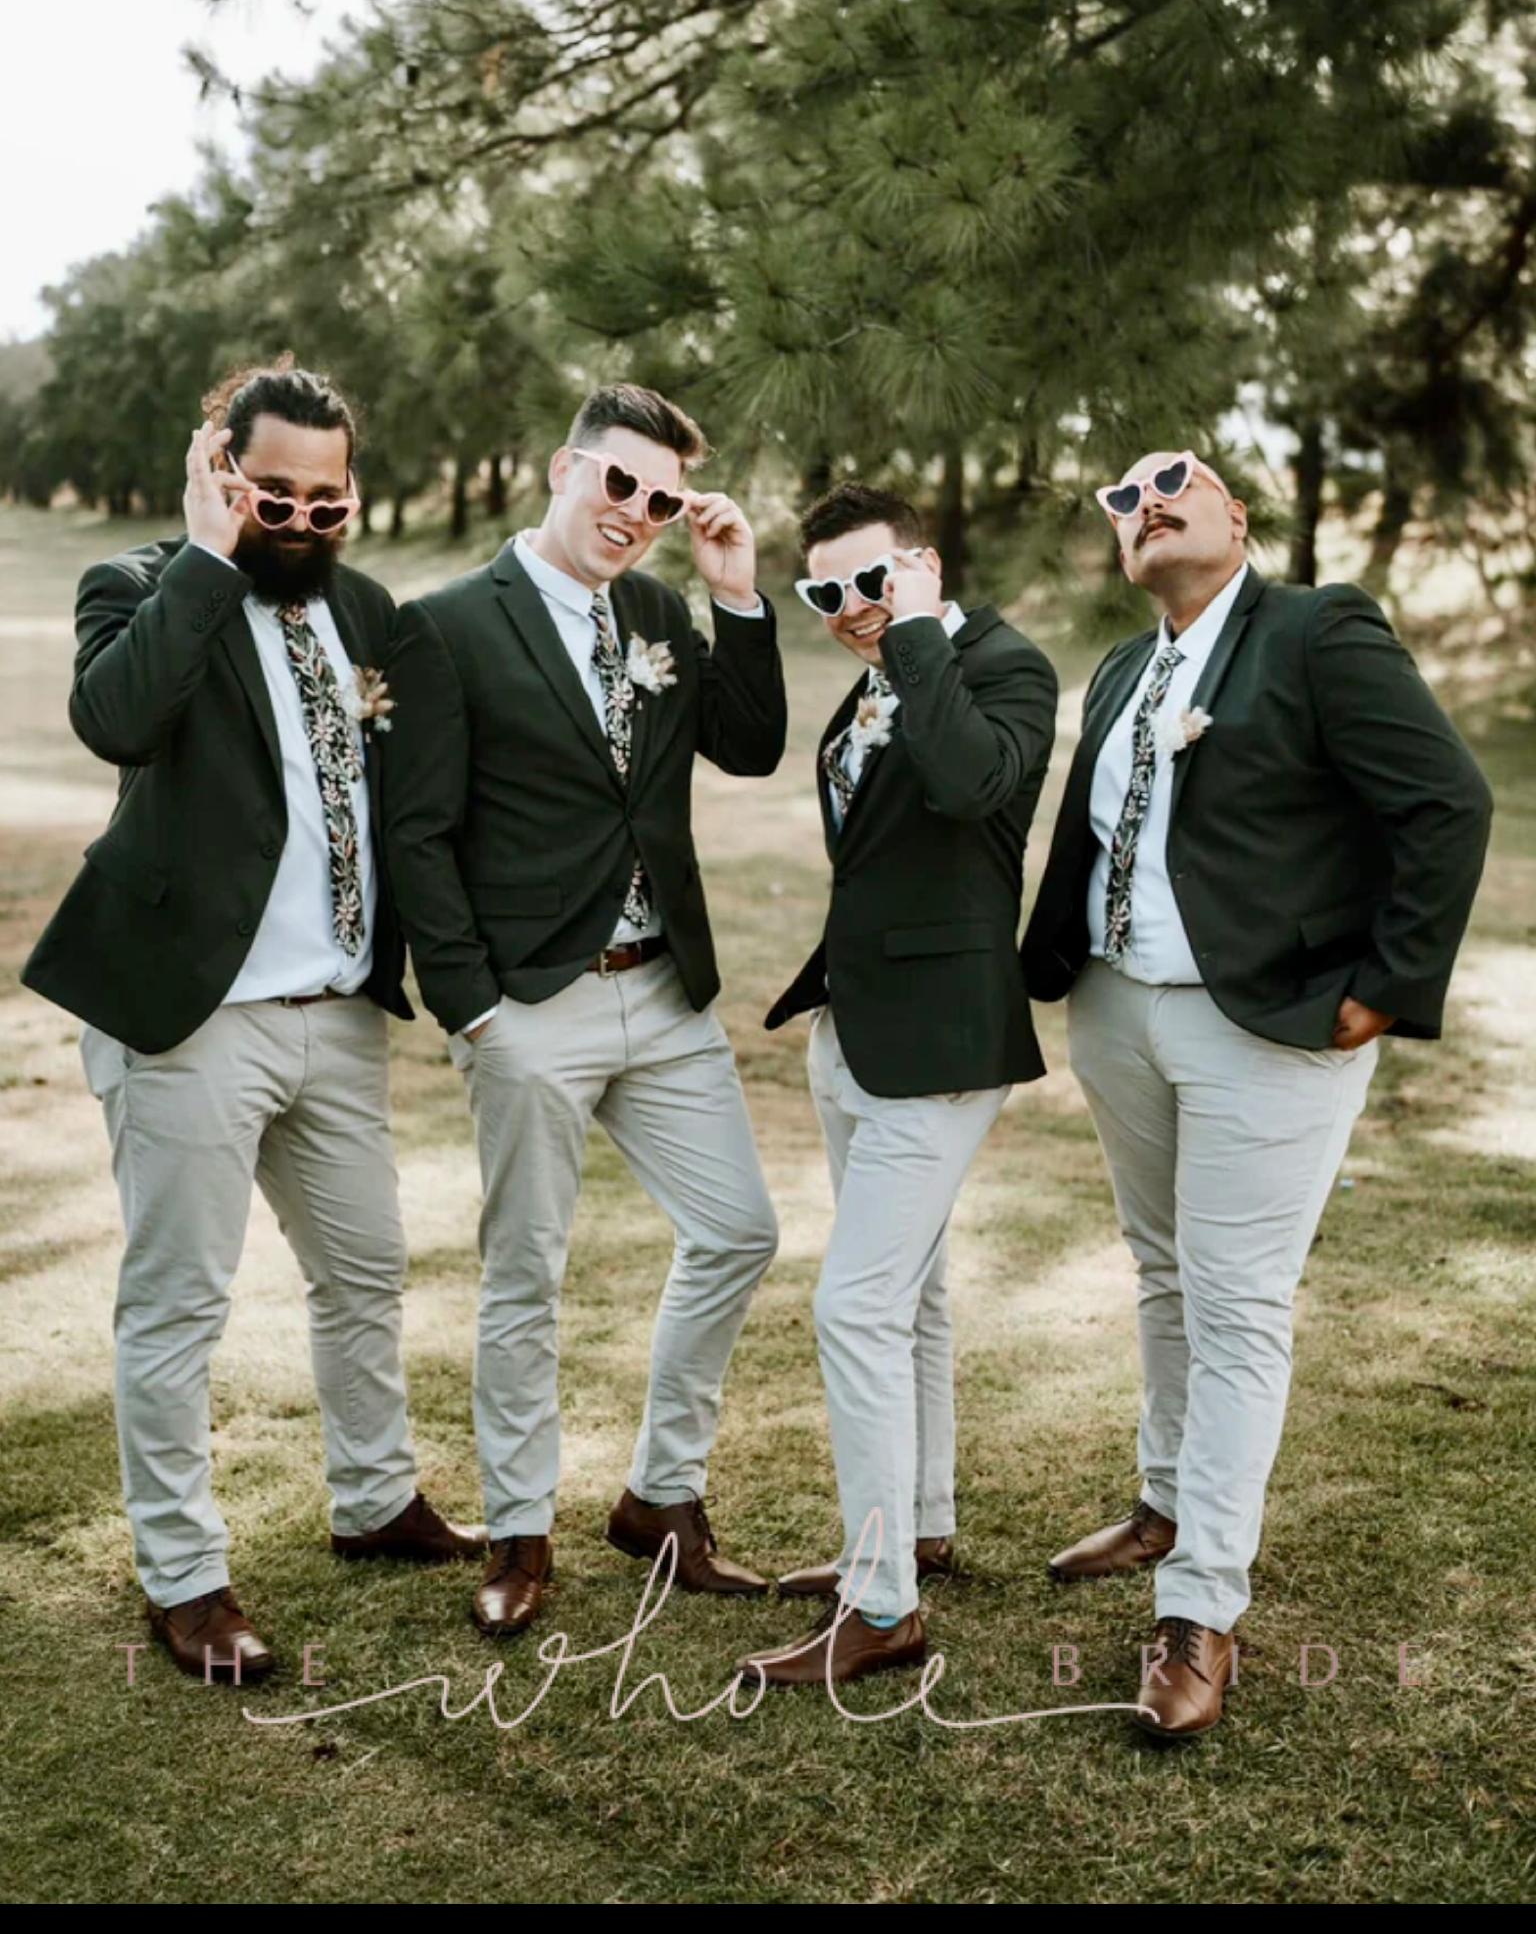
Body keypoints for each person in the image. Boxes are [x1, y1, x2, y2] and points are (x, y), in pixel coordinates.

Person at [21, 359, 485, 1686]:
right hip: (192, 1015)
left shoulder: (371, 612)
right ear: (220, 470)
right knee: (180, 1302)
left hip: (335, 1012)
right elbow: (117, 719)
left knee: (368, 1267)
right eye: (271, 495)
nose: (299, 520)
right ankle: (183, 1577)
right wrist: (207, 556)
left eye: (325, 503)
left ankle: (375, 1498)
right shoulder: (139, 582)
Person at [1021, 448, 1494, 1738]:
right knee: (1162, 1267)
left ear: (1236, 513)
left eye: (1172, 480)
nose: (1145, 503)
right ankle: (1165, 1498)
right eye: (1121, 499)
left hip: (1269, 1024)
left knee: (1235, 1301)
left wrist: (1390, 982)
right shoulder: (1122, 667)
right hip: (1117, 1006)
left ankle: (1200, 1604)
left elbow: (1448, 800)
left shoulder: (1316, 629)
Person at [382, 383, 787, 1638]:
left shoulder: (659, 609)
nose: (636, 512)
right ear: (565, 469)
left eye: (661, 499)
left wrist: (734, 594)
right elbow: (417, 830)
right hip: (529, 1003)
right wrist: (473, 1007)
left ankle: (661, 1498)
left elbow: (752, 745)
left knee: (739, 1229)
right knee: (526, 1271)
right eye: (619, 482)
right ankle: (518, 1529)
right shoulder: (447, 623)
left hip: (662, 989)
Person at [739, 482, 1058, 1689]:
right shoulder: (875, 677)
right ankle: (918, 1523)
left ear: (922, 566)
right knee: (910, 1293)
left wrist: (915, 631)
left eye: (872, 579)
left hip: (942, 1041)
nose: (850, 606)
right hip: (857, 1027)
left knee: (855, 1307)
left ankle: (881, 1605)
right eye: (825, 590)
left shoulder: (1005, 666)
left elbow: (971, 783)